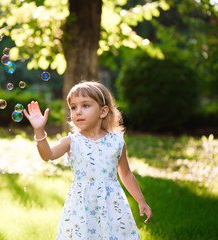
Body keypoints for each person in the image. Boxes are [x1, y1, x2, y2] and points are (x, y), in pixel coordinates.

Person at [23, 81, 152, 240]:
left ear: (103, 111)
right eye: (73, 107)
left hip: (111, 205)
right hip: (82, 206)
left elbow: (125, 174)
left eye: (85, 105)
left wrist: (141, 200)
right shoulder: (72, 141)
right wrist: (39, 130)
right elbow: (47, 155)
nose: (78, 112)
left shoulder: (117, 142)